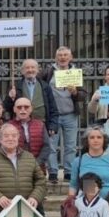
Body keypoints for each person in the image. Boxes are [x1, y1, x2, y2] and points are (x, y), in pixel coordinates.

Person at [38, 47, 87, 183]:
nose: (63, 57)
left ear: (70, 57)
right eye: (60, 55)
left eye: (65, 55)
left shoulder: (75, 73)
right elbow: (37, 85)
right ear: (55, 58)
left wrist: (76, 93)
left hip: (71, 115)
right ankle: (53, 172)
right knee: (52, 144)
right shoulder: (48, 72)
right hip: (53, 116)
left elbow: (83, 95)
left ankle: (69, 172)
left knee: (70, 146)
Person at [68, 126, 109, 201]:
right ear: (87, 141)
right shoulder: (78, 161)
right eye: (92, 137)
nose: (95, 140)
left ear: (104, 140)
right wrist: (70, 203)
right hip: (86, 207)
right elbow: (73, 186)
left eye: (99, 137)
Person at [3, 59, 58, 137]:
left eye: (33, 67)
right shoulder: (15, 87)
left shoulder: (45, 86)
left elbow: (53, 108)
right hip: (21, 127)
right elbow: (7, 107)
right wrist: (10, 98)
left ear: (37, 70)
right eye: (27, 68)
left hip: (42, 126)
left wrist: (53, 126)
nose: (30, 70)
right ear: (22, 71)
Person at [8, 97, 51, 174]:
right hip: (14, 169)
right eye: (19, 107)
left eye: (26, 107)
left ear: (31, 109)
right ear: (14, 109)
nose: (23, 110)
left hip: (38, 168)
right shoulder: (8, 126)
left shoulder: (40, 125)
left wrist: (36, 163)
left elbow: (46, 147)